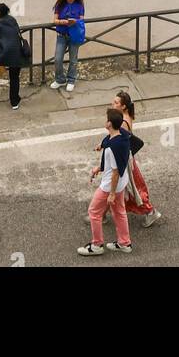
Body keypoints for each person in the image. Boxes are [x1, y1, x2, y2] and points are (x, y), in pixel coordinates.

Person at [78, 108, 132, 256]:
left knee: (94, 212)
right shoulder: (123, 136)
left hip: (110, 185)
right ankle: (124, 243)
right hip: (122, 181)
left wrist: (112, 193)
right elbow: (108, 142)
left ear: (109, 123)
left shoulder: (111, 149)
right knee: (119, 212)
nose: (105, 120)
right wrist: (100, 167)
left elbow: (114, 173)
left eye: (106, 119)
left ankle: (96, 245)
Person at [112, 89, 161, 228]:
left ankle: (150, 211)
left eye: (116, 102)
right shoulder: (125, 116)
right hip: (124, 158)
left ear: (123, 106)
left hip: (124, 160)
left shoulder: (123, 121)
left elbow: (120, 143)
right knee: (115, 187)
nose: (112, 104)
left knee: (133, 188)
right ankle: (99, 213)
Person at [51, 0, 85, 92]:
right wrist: (64, 22)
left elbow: (81, 20)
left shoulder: (79, 6)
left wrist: (75, 21)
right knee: (58, 58)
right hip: (61, 35)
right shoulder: (59, 5)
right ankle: (60, 79)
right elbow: (54, 20)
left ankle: (71, 80)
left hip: (73, 35)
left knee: (73, 59)